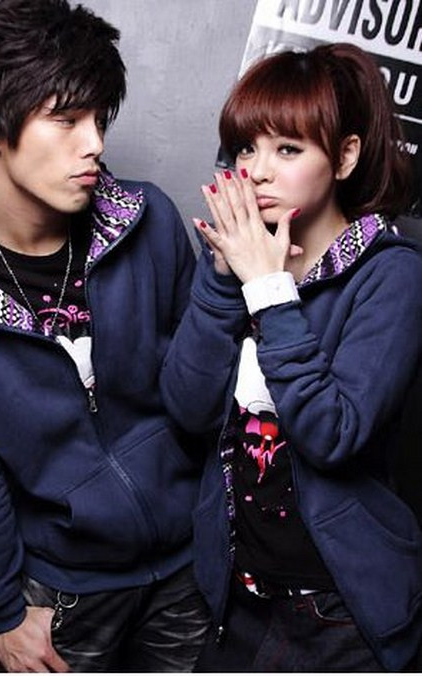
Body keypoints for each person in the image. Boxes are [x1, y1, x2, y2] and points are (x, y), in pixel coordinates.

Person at [0, 0, 210, 671]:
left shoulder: (150, 223)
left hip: (187, 567)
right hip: (64, 589)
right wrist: (2, 610)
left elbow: (201, 396)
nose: (94, 143)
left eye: (99, 119)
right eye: (68, 119)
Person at [160, 43, 422, 671]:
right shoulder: (238, 260)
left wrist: (270, 292)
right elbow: (188, 411)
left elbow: (334, 434)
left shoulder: (390, 275)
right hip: (236, 593)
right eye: (246, 149)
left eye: (287, 150)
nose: (257, 172)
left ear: (346, 156)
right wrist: (223, 281)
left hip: (337, 611)